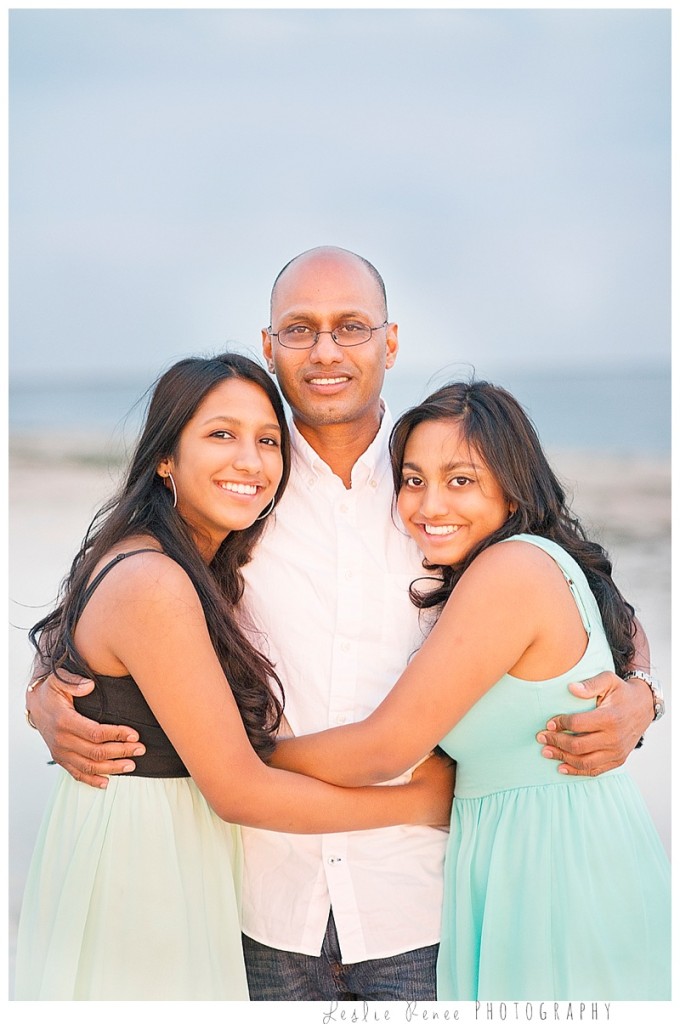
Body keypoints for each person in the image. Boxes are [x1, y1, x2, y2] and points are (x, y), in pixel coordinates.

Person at [26, 247, 659, 1001]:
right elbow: (116, 602)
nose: (326, 350)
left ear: (390, 344)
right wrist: (48, 695)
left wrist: (642, 692)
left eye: (351, 327)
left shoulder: (438, 482)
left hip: (420, 905)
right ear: (270, 347)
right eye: (300, 329)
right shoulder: (239, 489)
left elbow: (580, 586)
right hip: (264, 903)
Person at [15, 353, 453, 1001]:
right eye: (221, 434)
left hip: (162, 851)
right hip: (143, 869)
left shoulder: (177, 556)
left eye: (267, 440)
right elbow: (238, 790)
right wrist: (419, 804)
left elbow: (67, 636)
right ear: (166, 457)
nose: (249, 460)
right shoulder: (155, 579)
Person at [271, 380, 671, 1000]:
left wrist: (240, 753)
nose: (430, 505)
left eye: (461, 480)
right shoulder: (523, 563)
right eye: (413, 480)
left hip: (551, 867)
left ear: (512, 487)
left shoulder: (508, 570)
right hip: (533, 853)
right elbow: (623, 620)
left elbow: (385, 748)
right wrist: (643, 687)